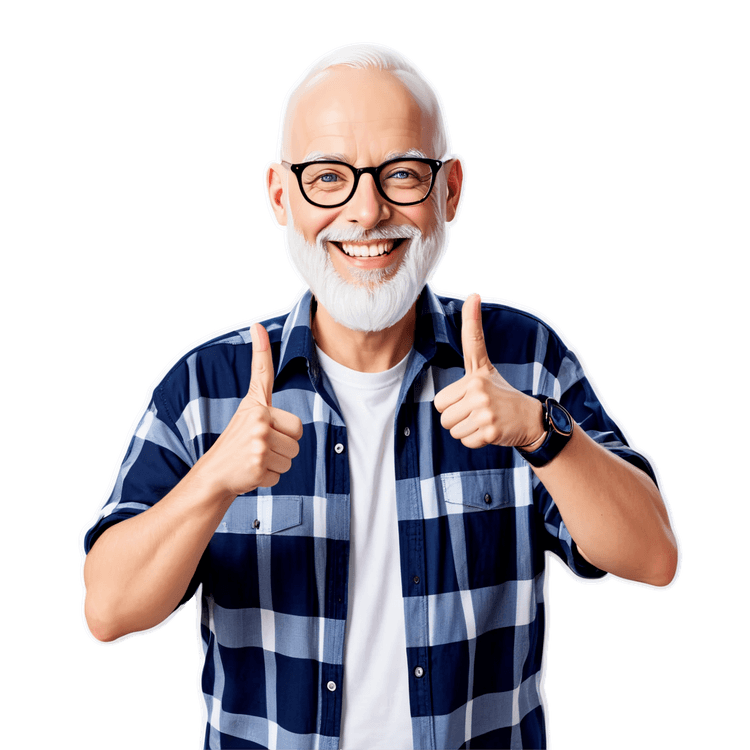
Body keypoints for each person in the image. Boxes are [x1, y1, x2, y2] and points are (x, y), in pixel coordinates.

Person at [80, 42, 679, 750]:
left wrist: (543, 433)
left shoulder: (522, 358)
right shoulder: (207, 388)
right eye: (329, 177)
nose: (367, 212)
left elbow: (654, 557)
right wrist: (214, 480)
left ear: (450, 189)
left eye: (401, 174)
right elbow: (109, 610)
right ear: (280, 195)